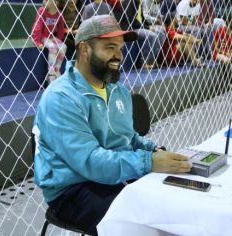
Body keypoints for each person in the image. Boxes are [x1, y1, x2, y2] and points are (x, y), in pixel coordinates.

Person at [33, 15, 191, 236]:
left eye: (120, 48)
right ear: (85, 49)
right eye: (109, 47)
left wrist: (154, 151)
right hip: (71, 188)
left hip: (110, 175)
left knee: (174, 204)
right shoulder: (61, 97)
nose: (118, 55)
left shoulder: (118, 91)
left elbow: (130, 138)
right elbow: (89, 161)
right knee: (137, 225)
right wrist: (148, 162)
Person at [112, 0, 166, 69]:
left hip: (138, 26)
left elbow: (142, 19)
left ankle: (152, 60)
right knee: (152, 35)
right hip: (130, 29)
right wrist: (148, 28)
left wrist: (150, 27)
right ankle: (144, 62)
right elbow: (131, 22)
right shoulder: (131, 2)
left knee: (160, 32)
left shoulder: (138, 2)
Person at [32, 0, 67, 83]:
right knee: (52, 47)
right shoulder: (42, 10)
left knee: (63, 47)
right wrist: (37, 42)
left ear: (56, 2)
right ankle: (51, 73)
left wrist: (59, 40)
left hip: (50, 36)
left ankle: (56, 69)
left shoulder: (59, 13)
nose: (45, 1)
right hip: (40, 36)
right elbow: (38, 27)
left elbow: (61, 29)